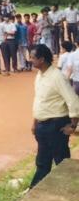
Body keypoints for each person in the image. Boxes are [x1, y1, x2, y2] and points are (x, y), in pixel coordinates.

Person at [28, 44, 79, 188]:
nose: (30, 60)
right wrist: (35, 122)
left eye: (33, 57)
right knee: (42, 162)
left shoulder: (57, 77)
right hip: (42, 126)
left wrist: (73, 125)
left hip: (56, 126)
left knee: (61, 161)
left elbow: (73, 101)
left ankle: (68, 190)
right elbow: (40, 100)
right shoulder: (40, 76)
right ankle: (36, 190)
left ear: (42, 59)